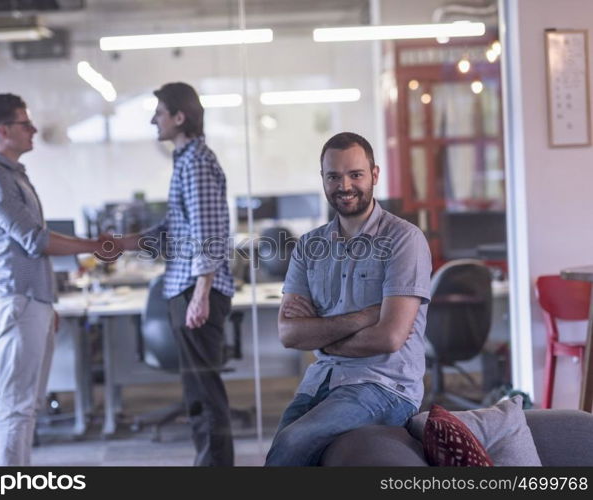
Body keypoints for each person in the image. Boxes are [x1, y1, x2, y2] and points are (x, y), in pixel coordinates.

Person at [264, 132, 432, 466]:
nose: (345, 185)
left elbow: (390, 337)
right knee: (282, 448)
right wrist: (366, 316)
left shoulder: (404, 240)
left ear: (375, 175)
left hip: (384, 387)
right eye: (334, 176)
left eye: (355, 174)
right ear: (323, 180)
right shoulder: (309, 246)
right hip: (322, 380)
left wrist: (322, 337)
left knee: (294, 443)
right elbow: (289, 334)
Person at [0, 93, 115, 466]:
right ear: (3, 131)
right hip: (16, 302)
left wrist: (47, 300)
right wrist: (95, 246)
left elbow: (32, 242)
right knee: (17, 406)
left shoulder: (14, 176)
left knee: (27, 405)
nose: (34, 129)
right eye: (25, 123)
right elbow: (35, 241)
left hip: (31, 301)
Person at [117, 82, 235, 466]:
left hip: (196, 290)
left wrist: (202, 293)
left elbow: (208, 234)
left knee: (204, 393)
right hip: (185, 287)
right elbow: (173, 230)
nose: (155, 119)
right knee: (197, 393)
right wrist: (123, 243)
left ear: (179, 117)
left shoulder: (197, 163)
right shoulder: (186, 160)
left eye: (160, 112)